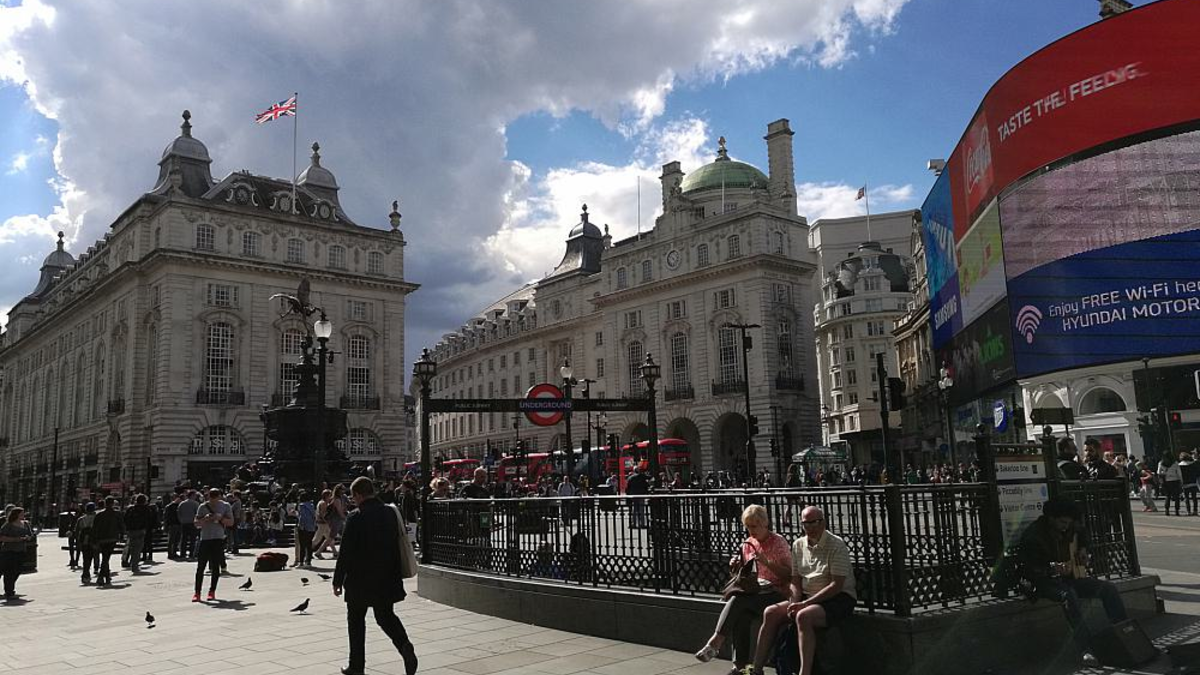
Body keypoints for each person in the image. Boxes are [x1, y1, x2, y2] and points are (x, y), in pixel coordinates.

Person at [1018, 498, 1128, 667]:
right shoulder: (1034, 536)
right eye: (1062, 522)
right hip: (1043, 583)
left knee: (1108, 588)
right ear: (1051, 518)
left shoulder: (1070, 528)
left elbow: (1082, 532)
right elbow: (1030, 571)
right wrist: (1051, 569)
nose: (1066, 526)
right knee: (1069, 596)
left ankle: (1125, 633)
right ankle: (1086, 649)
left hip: (1070, 578)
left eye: (1068, 523)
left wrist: (1083, 548)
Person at [749, 506, 857, 675]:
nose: (809, 527)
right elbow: (795, 581)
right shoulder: (799, 545)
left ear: (823, 522)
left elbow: (837, 585)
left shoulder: (836, 544)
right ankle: (756, 669)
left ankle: (804, 672)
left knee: (804, 616)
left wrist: (805, 603)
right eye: (805, 524)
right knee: (770, 612)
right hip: (808, 595)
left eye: (814, 523)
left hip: (838, 597)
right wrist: (794, 601)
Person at [333, 477, 418, 675]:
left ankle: (356, 665)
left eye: (353, 497)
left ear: (358, 495)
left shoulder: (355, 517)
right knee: (385, 616)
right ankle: (404, 645)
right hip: (386, 576)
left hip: (359, 579)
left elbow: (345, 552)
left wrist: (338, 580)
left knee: (355, 621)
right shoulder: (390, 513)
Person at [694, 505, 792, 673]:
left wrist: (767, 562)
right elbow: (745, 574)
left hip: (777, 593)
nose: (751, 531)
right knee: (741, 616)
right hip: (756, 593)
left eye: (754, 526)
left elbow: (789, 575)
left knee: (738, 599)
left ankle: (716, 641)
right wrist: (735, 565)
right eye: (748, 527)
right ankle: (741, 668)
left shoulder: (778, 542)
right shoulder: (748, 544)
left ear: (764, 524)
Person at [192, 488, 234, 602]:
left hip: (218, 538)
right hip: (205, 538)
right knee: (200, 566)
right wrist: (205, 519)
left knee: (216, 566)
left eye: (216, 498)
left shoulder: (225, 506)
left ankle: (212, 591)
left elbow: (231, 522)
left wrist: (221, 518)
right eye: (211, 498)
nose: (214, 501)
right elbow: (196, 523)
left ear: (220, 496)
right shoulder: (202, 507)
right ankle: (197, 593)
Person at [0, 507, 34, 601]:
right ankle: (9, 592)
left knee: (18, 570)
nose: (24, 515)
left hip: (21, 550)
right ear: (16, 514)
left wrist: (28, 538)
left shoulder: (26, 524)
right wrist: (16, 539)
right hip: (9, 551)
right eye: (22, 513)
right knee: (9, 572)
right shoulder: (8, 524)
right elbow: (1, 537)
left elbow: (31, 535)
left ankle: (10, 587)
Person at [91, 497, 124, 587]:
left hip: (101, 539)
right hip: (112, 538)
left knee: (105, 557)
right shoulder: (117, 514)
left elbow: (95, 528)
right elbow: (121, 526)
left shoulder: (99, 515)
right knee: (106, 557)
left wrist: (94, 540)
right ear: (113, 503)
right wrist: (122, 535)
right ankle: (102, 577)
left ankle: (107, 577)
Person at [122, 494, 154, 573]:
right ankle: (134, 566)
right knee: (137, 549)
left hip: (131, 531)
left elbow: (125, 519)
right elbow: (149, 520)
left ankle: (130, 562)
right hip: (140, 530)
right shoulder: (146, 509)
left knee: (131, 547)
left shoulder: (130, 509)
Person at [75, 503, 98, 584]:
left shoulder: (81, 519)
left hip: (84, 541)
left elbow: (77, 531)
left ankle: (85, 575)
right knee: (91, 557)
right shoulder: (96, 518)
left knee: (85, 558)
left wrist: (78, 542)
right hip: (93, 541)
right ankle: (87, 574)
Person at [294, 491, 317, 567]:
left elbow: (302, 517)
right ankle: (308, 561)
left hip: (303, 527)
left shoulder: (301, 505)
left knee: (302, 545)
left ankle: (301, 562)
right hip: (311, 527)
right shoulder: (312, 505)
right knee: (309, 544)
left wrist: (300, 525)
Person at [177, 490, 200, 560]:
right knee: (192, 539)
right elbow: (198, 514)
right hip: (192, 523)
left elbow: (178, 513)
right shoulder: (196, 503)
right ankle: (191, 554)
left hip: (184, 523)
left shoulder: (182, 504)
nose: (196, 496)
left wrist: (181, 520)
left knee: (184, 539)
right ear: (192, 495)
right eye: (195, 495)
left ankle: (182, 554)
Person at [1159, 451, 1184, 516]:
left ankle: (1167, 510)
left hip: (1166, 481)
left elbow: (1158, 472)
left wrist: (1164, 473)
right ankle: (1177, 510)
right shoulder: (1175, 463)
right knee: (1176, 496)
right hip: (1175, 480)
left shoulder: (1161, 463)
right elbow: (1179, 473)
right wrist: (1181, 481)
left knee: (1168, 496)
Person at [1180, 451, 1199, 516]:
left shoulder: (1180, 465)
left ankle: (1188, 511)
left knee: (1186, 498)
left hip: (1185, 484)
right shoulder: (1193, 464)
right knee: (1194, 498)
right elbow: (1197, 473)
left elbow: (1180, 475)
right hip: (1193, 482)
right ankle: (1195, 510)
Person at [164, 493, 182, 560]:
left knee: (176, 539)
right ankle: (170, 553)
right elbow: (166, 517)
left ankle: (174, 552)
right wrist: (166, 526)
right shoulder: (169, 506)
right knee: (171, 540)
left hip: (178, 524)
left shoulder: (179, 505)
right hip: (172, 524)